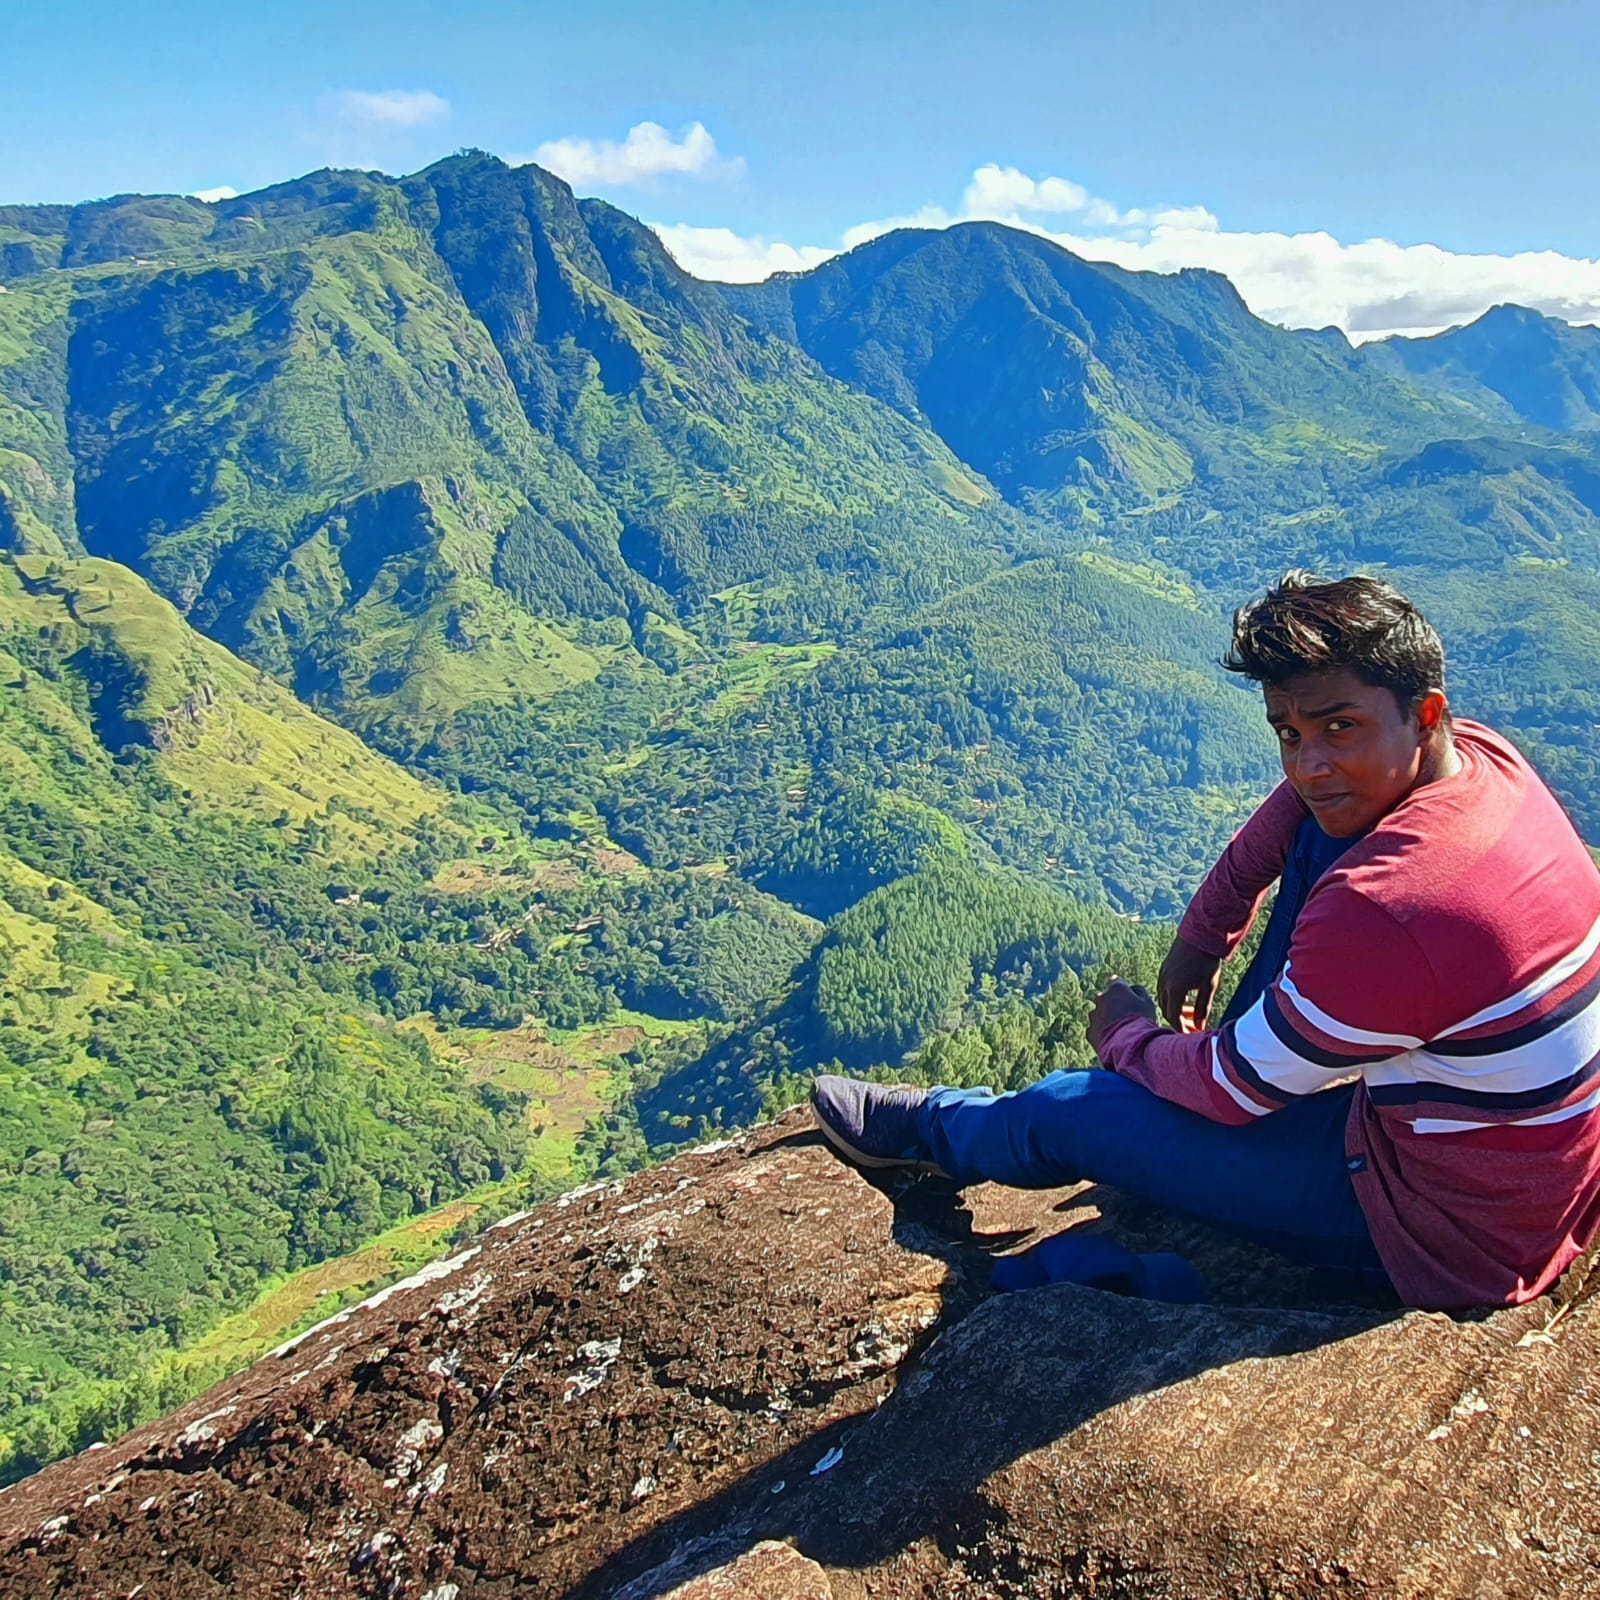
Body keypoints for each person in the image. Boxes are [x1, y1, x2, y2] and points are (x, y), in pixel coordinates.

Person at [811, 572, 1600, 1311]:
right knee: (1325, 827)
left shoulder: (1389, 905)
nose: (1310, 762)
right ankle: (1243, 1063)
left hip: (1446, 1227)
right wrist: (1204, 932)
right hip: (1525, 1167)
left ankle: (930, 1134)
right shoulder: (1481, 760)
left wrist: (1125, 1039)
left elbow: (1230, 1089)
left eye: (1340, 727)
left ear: (1423, 714)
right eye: (1288, 732)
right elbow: (1297, 812)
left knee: (1070, 1107)